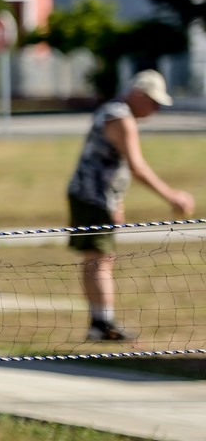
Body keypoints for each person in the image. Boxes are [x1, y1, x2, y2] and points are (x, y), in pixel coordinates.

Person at [65, 68, 195, 342]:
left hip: (93, 196)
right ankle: (103, 324)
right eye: (154, 102)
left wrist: (117, 201)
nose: (156, 109)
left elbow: (113, 164)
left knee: (99, 259)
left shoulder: (114, 111)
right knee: (99, 261)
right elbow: (137, 167)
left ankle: (99, 322)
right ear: (138, 94)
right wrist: (172, 196)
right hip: (92, 197)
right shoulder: (121, 119)